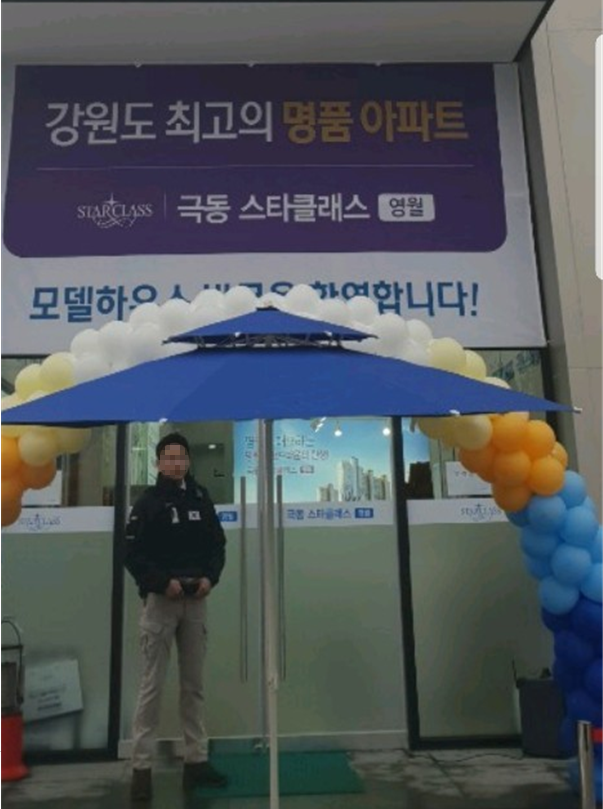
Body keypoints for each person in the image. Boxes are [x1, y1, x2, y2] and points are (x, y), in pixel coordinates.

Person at [125, 432, 228, 802]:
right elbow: (132, 554)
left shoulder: (200, 497)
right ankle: (141, 769)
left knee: (193, 686)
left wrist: (209, 578)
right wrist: (161, 582)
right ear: (158, 463)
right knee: (151, 686)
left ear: (188, 460)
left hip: (196, 601)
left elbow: (217, 545)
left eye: (181, 456)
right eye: (168, 457)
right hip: (161, 602)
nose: (175, 463)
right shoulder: (148, 503)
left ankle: (196, 761)